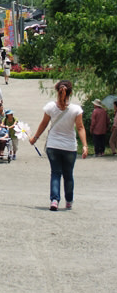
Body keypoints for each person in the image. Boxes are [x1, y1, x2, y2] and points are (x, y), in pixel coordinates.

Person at [29, 79, 88, 211]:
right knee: (68, 174)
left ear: (57, 91)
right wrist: (85, 145)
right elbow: (80, 128)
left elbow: (44, 124)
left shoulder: (50, 107)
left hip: (53, 145)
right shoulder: (76, 109)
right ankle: (69, 201)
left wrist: (35, 138)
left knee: (55, 173)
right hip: (69, 147)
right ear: (70, 92)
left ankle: (54, 200)